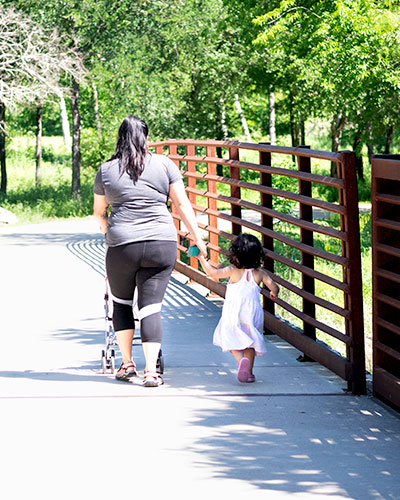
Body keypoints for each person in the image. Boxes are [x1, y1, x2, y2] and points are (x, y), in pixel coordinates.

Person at [93, 115, 206, 387]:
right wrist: (198, 240)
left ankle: (128, 364)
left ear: (120, 138)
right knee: (151, 307)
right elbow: (182, 204)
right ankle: (151, 372)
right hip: (161, 243)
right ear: (146, 138)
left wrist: (109, 230)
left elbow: (99, 213)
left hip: (122, 246)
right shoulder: (165, 164)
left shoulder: (106, 170)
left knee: (121, 303)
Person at [198, 233, 279, 383]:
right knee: (251, 341)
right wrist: (274, 293)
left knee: (229, 336)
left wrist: (201, 258)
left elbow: (212, 273)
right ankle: (248, 373)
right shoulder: (260, 273)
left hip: (233, 312)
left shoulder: (232, 271)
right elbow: (274, 287)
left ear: (235, 254)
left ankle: (240, 360)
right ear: (258, 255)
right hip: (252, 313)